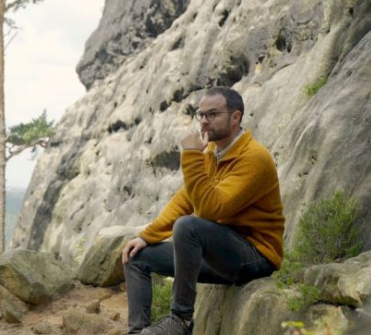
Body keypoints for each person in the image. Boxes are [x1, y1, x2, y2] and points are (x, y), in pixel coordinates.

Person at [121, 86, 285, 335]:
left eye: (213, 114)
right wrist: (147, 236)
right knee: (137, 256)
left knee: (188, 226)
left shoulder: (254, 158)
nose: (205, 121)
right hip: (220, 253)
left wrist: (191, 155)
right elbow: (185, 199)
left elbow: (210, 209)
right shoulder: (211, 153)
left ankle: (181, 320)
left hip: (255, 256)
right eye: (201, 114)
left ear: (235, 117)